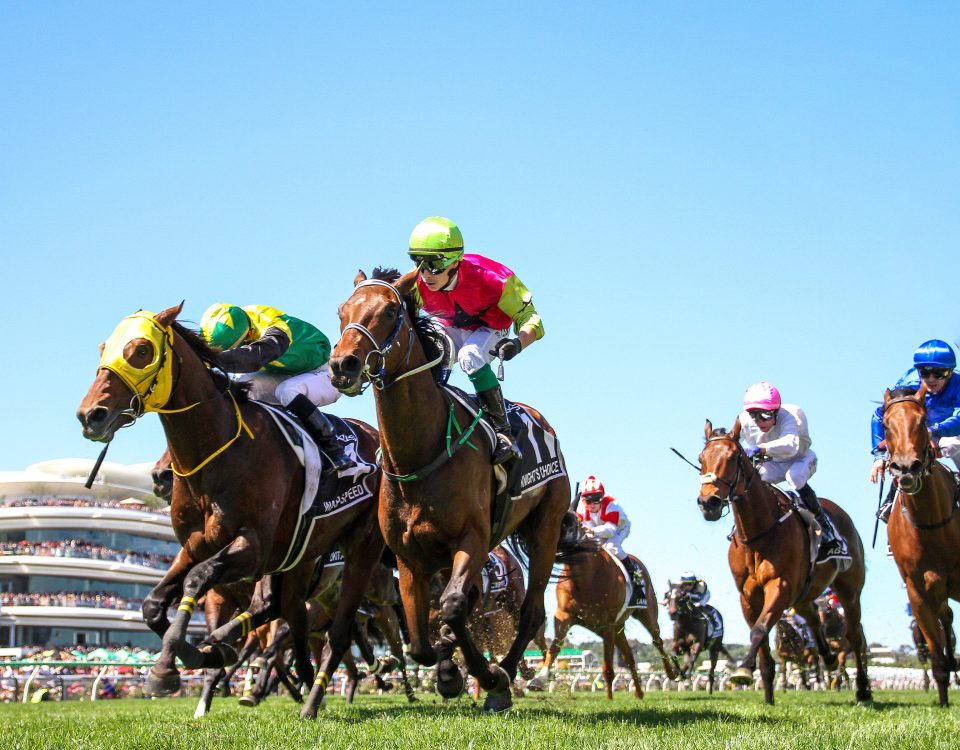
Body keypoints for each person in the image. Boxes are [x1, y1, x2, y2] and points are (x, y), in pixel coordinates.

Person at [406, 216, 543, 465]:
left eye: (434, 264)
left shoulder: (494, 279)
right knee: (428, 351)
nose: (426, 274)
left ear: (456, 261)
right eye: (419, 263)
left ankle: (502, 431)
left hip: (490, 328)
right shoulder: (415, 284)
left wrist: (519, 343)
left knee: (469, 356)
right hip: (449, 326)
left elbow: (531, 317)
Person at [200, 303, 352, 473]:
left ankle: (334, 451)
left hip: (324, 372)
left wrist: (212, 359)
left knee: (287, 391)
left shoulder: (275, 326)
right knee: (240, 387)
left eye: (243, 343)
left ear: (249, 333)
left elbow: (255, 358)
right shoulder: (238, 324)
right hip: (285, 373)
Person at [738, 381, 849, 564]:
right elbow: (732, 441)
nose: (760, 422)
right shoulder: (744, 420)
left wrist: (759, 448)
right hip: (773, 463)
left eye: (765, 415)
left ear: (776, 410)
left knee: (794, 478)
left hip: (800, 459)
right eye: (754, 416)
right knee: (752, 479)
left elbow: (790, 445)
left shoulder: (792, 415)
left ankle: (827, 529)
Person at [871, 340, 960, 519]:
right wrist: (879, 456)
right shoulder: (909, 382)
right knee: (903, 452)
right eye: (925, 372)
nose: (931, 379)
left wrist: (935, 432)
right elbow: (880, 415)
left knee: (952, 444)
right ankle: (892, 499)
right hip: (921, 429)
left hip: (951, 431)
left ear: (950, 373)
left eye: (939, 373)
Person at [575, 475, 644, 603]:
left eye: (596, 499)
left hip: (619, 528)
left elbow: (610, 530)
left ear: (602, 497)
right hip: (599, 530)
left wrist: (592, 531)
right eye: (588, 500)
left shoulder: (611, 503)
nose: (593, 504)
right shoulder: (581, 509)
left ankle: (637, 581)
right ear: (583, 500)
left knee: (612, 547)